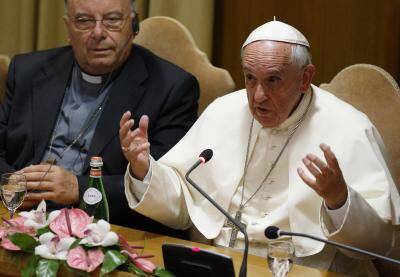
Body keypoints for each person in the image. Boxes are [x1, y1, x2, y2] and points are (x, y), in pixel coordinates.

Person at [120, 20, 400, 276]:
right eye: (250, 78)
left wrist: (339, 200)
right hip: (220, 263)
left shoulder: (349, 126)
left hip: (307, 269)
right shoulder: (224, 112)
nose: (258, 96)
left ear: (305, 78)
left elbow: (379, 242)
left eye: (273, 80)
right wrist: (145, 168)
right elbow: (183, 202)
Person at [0, 0, 199, 237]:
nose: (98, 33)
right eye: (84, 21)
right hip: (18, 217)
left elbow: (167, 192)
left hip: (108, 231)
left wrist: (78, 188)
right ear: (68, 27)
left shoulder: (171, 88)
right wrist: (13, 185)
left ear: (133, 24)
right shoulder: (27, 70)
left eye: (112, 20)